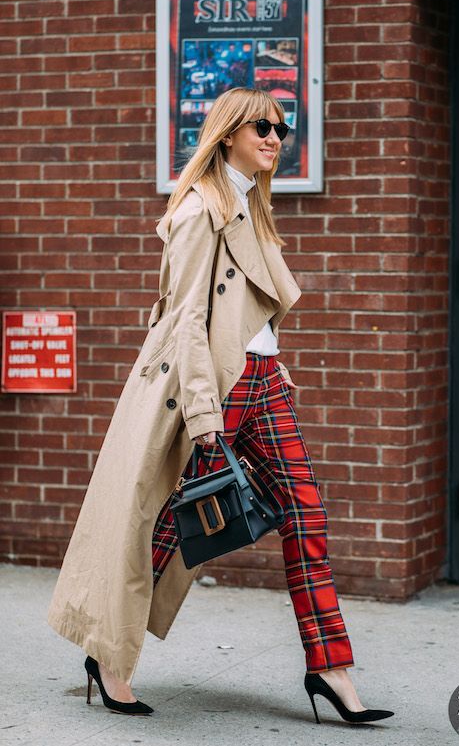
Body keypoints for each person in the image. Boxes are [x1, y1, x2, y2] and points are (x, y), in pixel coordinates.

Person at [47, 87, 394, 726]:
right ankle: (111, 658)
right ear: (228, 131)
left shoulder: (251, 206)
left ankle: (331, 667)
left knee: (304, 511)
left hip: (261, 381)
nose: (274, 138)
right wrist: (204, 416)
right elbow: (187, 321)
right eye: (261, 126)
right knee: (168, 521)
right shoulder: (199, 210)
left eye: (281, 129)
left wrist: (275, 359)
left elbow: (247, 312)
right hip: (212, 386)